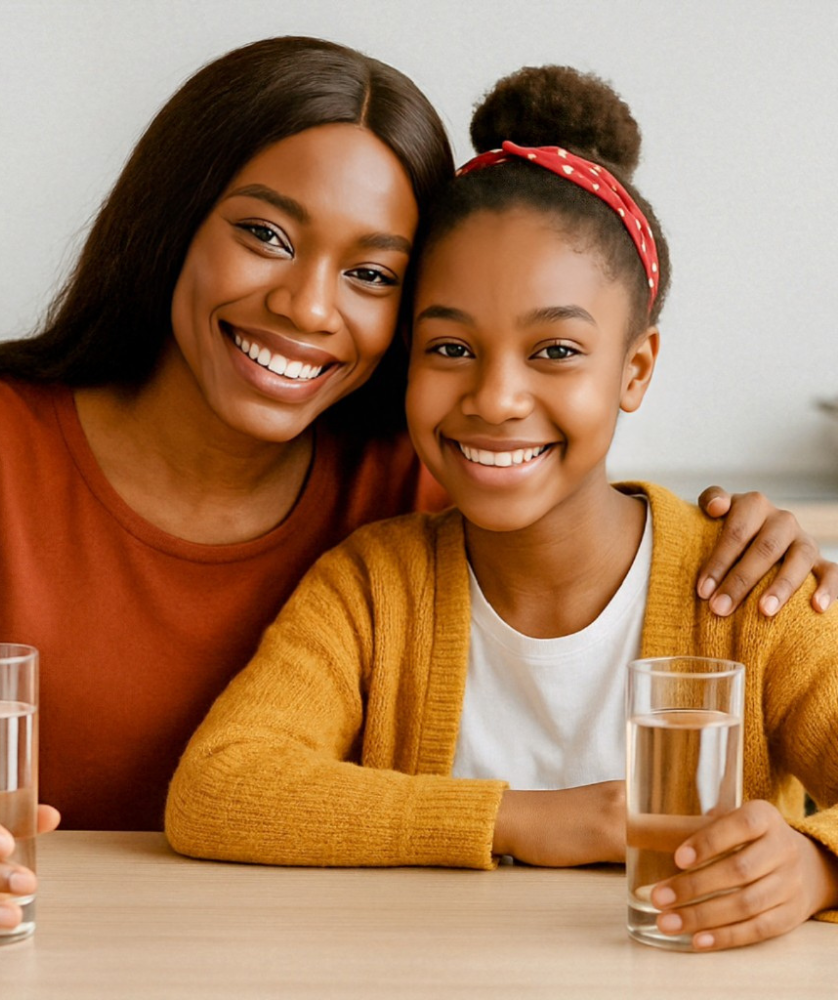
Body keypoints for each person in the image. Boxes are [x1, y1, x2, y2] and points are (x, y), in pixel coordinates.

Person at [0, 37, 830, 951]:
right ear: (174, 218)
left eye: (369, 271)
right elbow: (226, 787)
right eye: (266, 234)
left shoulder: (413, 486)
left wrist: (747, 542)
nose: (308, 306)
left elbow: (568, 499)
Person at [166, 64, 838, 953]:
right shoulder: (374, 587)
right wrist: (522, 818)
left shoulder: (745, 591)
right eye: (450, 346)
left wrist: (816, 865)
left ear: (634, 370)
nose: (496, 396)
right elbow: (220, 788)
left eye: (555, 349)